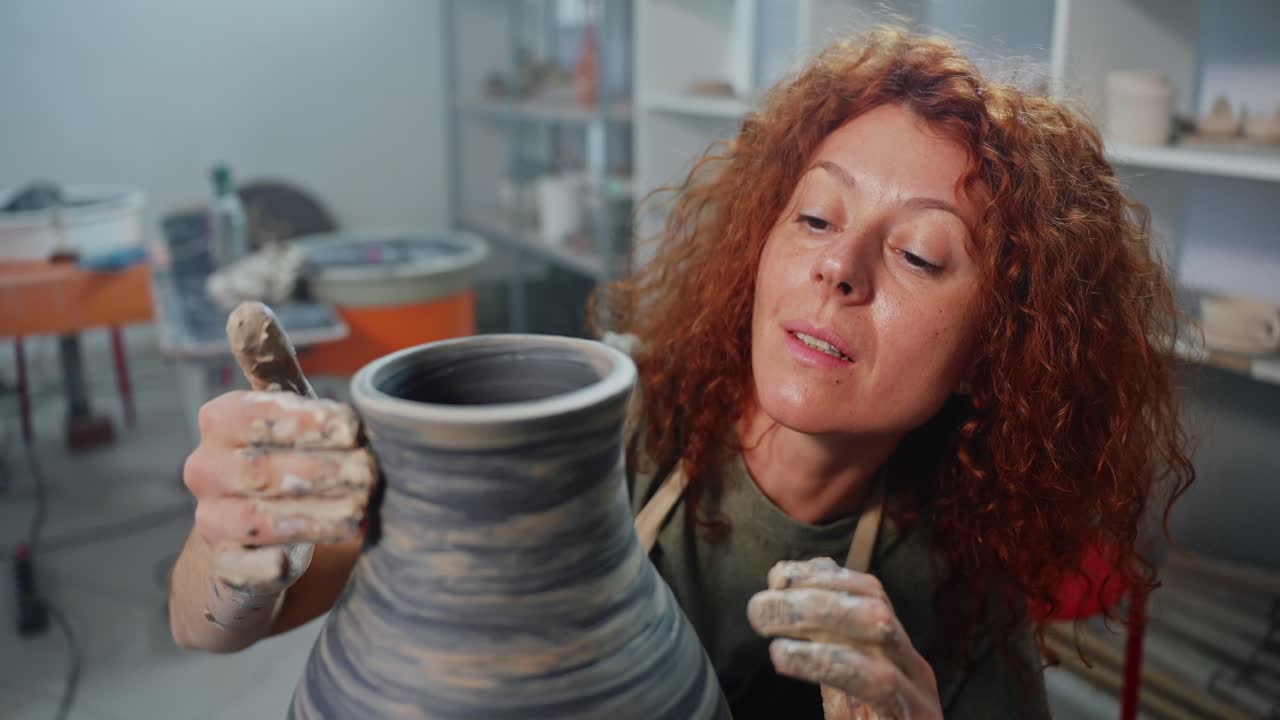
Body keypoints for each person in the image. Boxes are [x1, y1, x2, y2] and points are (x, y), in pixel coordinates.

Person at [169, 26, 1195, 719]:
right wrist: (247, 545)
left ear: (996, 348)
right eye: (814, 217)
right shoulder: (598, 426)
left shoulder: (965, 601)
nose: (837, 267)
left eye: (919, 255)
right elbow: (212, 629)